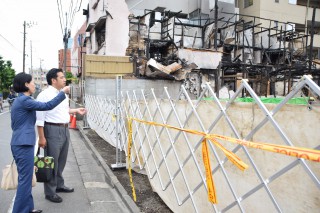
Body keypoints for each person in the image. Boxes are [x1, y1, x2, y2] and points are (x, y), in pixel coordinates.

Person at [10, 72, 70, 213]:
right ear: (25, 84)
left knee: (27, 178)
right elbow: (48, 106)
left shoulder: (22, 100)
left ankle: (28, 208)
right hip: (22, 144)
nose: (34, 85)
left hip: (22, 142)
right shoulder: (24, 100)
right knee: (25, 181)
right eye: (32, 82)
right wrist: (62, 93)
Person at [36, 68, 86, 203]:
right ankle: (50, 192)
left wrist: (76, 110)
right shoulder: (44, 95)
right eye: (62, 77)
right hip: (51, 129)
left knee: (61, 160)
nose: (65, 79)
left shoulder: (62, 94)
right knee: (51, 161)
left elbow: (64, 110)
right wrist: (41, 137)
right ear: (53, 80)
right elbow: (40, 118)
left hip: (64, 128)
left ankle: (59, 184)